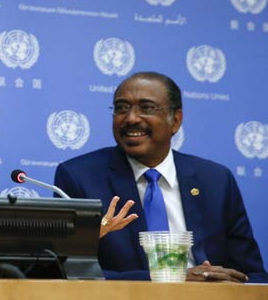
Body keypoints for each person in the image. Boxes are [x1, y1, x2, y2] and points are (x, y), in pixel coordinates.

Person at [54, 71, 268, 283]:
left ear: (175, 120)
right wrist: (172, 279)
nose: (131, 118)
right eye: (121, 108)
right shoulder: (79, 177)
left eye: (146, 108)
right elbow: (69, 272)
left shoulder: (216, 180)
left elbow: (252, 275)